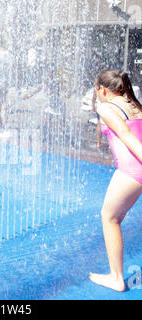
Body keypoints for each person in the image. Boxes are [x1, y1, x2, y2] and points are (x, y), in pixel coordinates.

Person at [89, 70, 142, 292]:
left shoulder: (106, 106)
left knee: (109, 217)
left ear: (103, 90)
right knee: (114, 216)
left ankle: (116, 278)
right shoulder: (134, 105)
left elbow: (126, 135)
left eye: (96, 90)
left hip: (131, 170)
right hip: (135, 170)